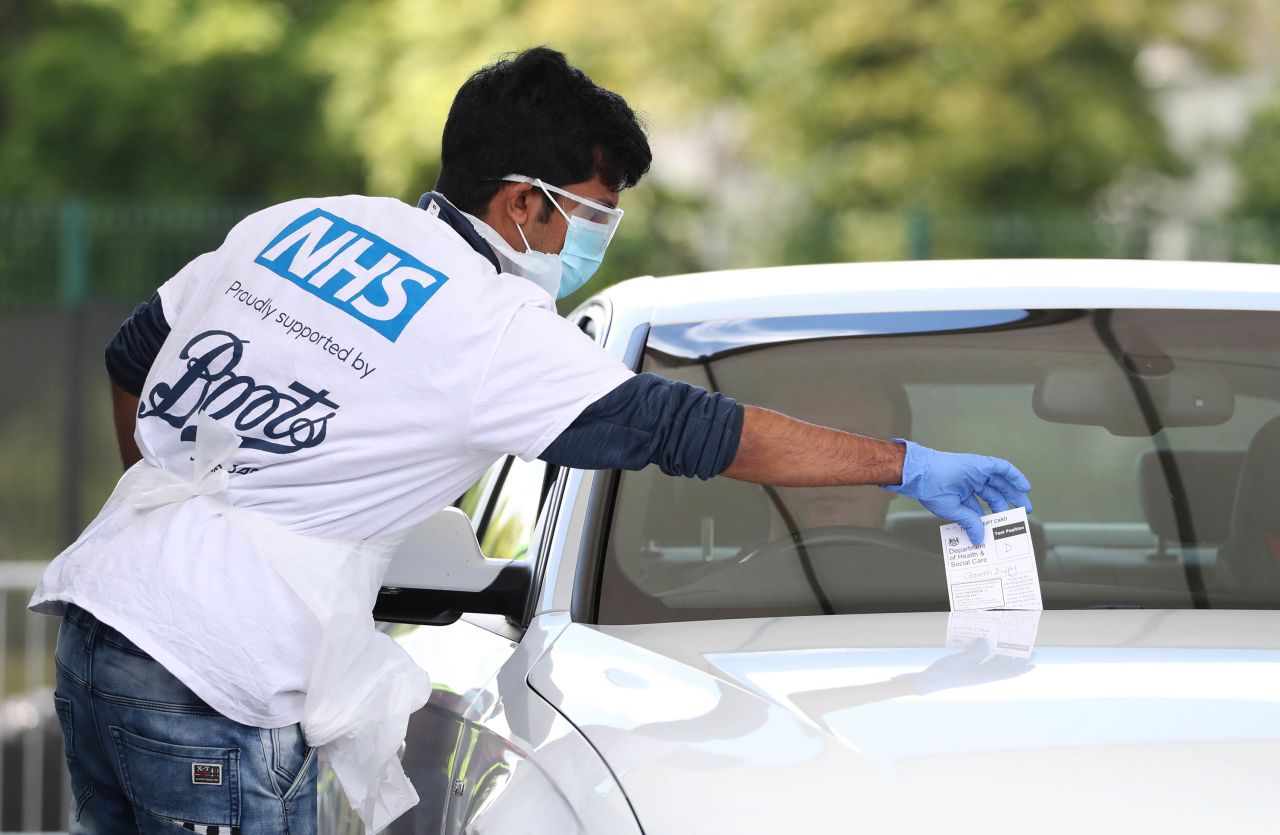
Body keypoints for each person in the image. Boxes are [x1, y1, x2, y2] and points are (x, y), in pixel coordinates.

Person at [30, 46, 1032, 834]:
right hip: (214, 673)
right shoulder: (488, 325)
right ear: (523, 201)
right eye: (596, 213)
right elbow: (686, 428)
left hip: (100, 612)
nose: (599, 237)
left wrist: (193, 516)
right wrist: (901, 465)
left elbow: (134, 353)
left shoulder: (304, 223)